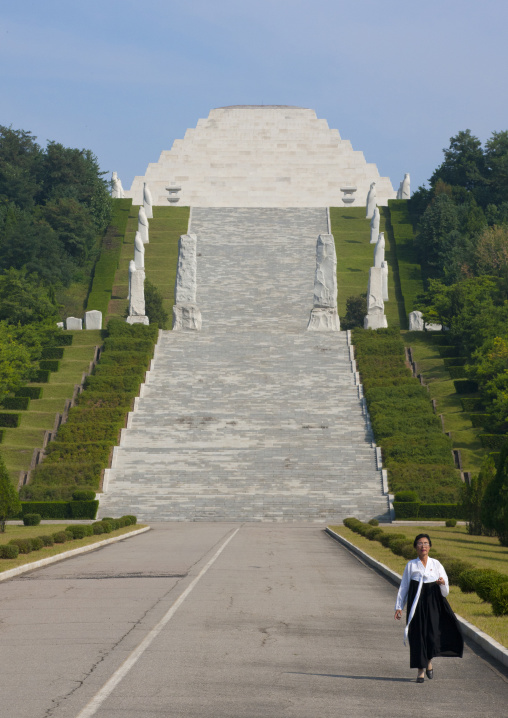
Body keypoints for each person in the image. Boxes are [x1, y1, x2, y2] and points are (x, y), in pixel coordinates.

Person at [394, 533, 463, 682]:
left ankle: (429, 662)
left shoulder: (436, 564)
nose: (423, 546)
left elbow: (446, 590)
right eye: (419, 543)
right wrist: (399, 606)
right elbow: (404, 586)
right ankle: (420, 670)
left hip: (433, 602)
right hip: (416, 603)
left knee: (431, 634)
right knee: (417, 635)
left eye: (426, 543)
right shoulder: (411, 565)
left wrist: (441, 582)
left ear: (430, 547)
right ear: (415, 547)